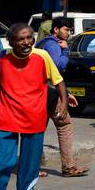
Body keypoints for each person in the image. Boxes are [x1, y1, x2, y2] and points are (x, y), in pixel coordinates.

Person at [0, 24, 70, 190]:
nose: (27, 42)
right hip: (5, 120)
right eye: (21, 39)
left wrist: (63, 104)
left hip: (34, 121)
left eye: (30, 38)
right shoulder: (2, 58)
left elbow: (59, 82)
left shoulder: (42, 57)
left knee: (28, 169)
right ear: (11, 42)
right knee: (0, 164)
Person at [36, 18, 86, 177]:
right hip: (50, 93)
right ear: (56, 30)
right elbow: (56, 68)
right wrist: (65, 51)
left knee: (37, 131)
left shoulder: (42, 43)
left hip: (41, 92)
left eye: (70, 30)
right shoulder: (54, 45)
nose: (69, 33)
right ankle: (68, 167)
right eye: (66, 29)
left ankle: (32, 169)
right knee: (64, 126)